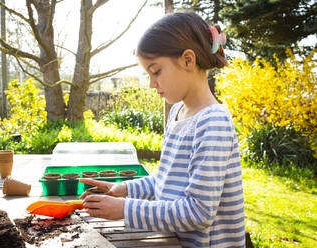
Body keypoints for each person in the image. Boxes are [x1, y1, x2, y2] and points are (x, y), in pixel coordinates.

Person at [79, 11, 245, 248]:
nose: (151, 83)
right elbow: (168, 182)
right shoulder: (178, 112)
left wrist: (126, 209)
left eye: (155, 71)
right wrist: (124, 190)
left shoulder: (213, 122)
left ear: (188, 60)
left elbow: (199, 211)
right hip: (173, 241)